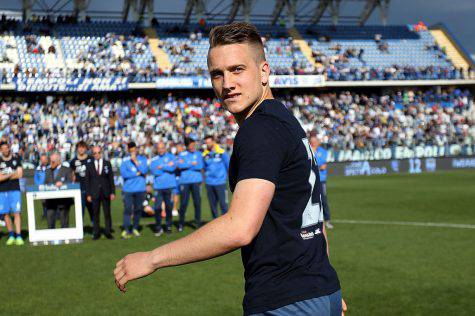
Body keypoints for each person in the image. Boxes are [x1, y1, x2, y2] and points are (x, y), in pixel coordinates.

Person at [114, 22, 343, 316]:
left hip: (286, 301)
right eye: (217, 74)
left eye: (237, 70)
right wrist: (323, 290)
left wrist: (153, 258)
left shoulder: (258, 130)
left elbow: (240, 228)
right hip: (321, 291)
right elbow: (314, 221)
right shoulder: (287, 121)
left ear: (264, 72)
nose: (227, 83)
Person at [85, 146, 115, 240]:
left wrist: (112, 192)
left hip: (106, 192)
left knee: (107, 213)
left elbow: (111, 179)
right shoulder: (89, 165)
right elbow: (87, 181)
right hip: (94, 193)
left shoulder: (107, 163)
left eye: (98, 152)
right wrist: (88, 194)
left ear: (101, 153)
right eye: (95, 153)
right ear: (92, 154)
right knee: (95, 214)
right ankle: (96, 233)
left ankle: (108, 232)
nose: (97, 154)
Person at [120, 142, 148, 239]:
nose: (132, 151)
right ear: (128, 150)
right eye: (130, 149)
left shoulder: (142, 159)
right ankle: (127, 229)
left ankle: (135, 228)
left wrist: (136, 162)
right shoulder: (124, 160)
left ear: (136, 149)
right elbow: (124, 174)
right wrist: (136, 174)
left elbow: (144, 171)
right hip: (128, 190)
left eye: (134, 149)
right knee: (127, 209)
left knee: (138, 209)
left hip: (140, 189)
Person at [176, 137, 204, 231]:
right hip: (185, 182)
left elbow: (200, 166)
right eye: (190, 146)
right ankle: (180, 224)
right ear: (186, 146)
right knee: (183, 203)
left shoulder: (199, 154)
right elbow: (180, 166)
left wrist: (187, 165)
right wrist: (192, 164)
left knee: (197, 203)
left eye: (193, 145)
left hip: (196, 181)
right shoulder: (182, 154)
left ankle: (198, 223)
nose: (192, 147)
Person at [0, 141, 24, 246]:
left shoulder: (16, 159)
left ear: (9, 148)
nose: (6, 150)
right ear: (1, 150)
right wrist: (11, 174)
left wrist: (5, 176)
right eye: (3, 148)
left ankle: (18, 236)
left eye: (7, 148)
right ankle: (11, 236)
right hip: (2, 191)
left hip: (15, 189)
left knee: (17, 213)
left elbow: (20, 174)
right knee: (5, 214)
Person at [150, 141, 176, 236]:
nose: (160, 150)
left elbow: (173, 168)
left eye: (162, 148)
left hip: (169, 186)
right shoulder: (154, 159)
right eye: (159, 148)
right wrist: (166, 167)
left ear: (165, 148)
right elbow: (154, 171)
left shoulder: (171, 157)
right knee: (157, 208)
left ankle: (168, 227)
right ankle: (158, 227)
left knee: (169, 207)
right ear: (157, 149)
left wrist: (162, 167)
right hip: (158, 187)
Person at [44, 152, 74, 229]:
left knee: (64, 220)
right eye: (50, 161)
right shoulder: (47, 171)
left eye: (53, 162)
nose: (51, 163)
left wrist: (63, 183)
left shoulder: (67, 170)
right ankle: (51, 236)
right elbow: (45, 183)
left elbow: (70, 182)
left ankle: (65, 236)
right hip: (50, 200)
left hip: (63, 200)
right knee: (50, 219)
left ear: (59, 161)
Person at [203, 135, 229, 218]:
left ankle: (225, 224)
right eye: (206, 143)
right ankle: (215, 222)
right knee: (213, 205)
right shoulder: (204, 154)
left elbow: (228, 166)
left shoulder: (222, 152)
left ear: (213, 141)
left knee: (223, 204)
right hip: (209, 183)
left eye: (209, 142)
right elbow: (203, 168)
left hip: (220, 183)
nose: (208, 144)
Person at [310, 135, 333, 229]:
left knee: (323, 199)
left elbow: (322, 165)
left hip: (321, 180)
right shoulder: (308, 150)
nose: (313, 143)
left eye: (315, 141)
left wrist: (315, 167)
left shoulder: (322, 151)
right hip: (310, 179)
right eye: (312, 141)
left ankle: (327, 220)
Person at [70, 141, 94, 226]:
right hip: (79, 189)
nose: (81, 149)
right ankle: (80, 229)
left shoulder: (91, 159)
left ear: (86, 148)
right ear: (77, 149)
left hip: (90, 189)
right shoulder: (73, 161)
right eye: (79, 147)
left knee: (93, 209)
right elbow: (72, 175)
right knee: (80, 210)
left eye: (83, 147)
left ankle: (95, 228)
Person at [34, 153, 49, 219]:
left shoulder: (51, 167)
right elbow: (36, 178)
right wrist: (38, 185)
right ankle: (45, 214)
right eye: (42, 159)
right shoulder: (38, 168)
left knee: (52, 201)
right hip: (41, 188)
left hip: (50, 187)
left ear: (47, 159)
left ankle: (56, 215)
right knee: (43, 202)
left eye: (45, 159)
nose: (44, 161)